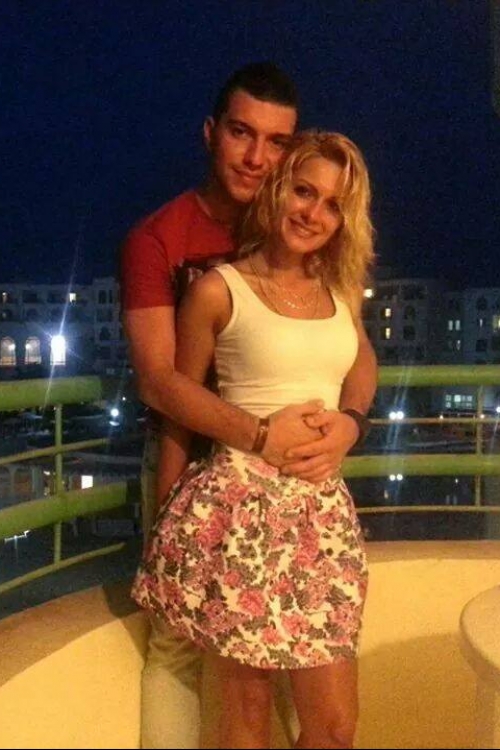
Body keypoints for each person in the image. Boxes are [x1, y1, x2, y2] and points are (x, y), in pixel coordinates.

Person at [122, 63, 376, 748]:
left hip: (313, 510)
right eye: (241, 133)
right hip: (216, 486)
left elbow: (359, 356)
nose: (256, 156)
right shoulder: (163, 241)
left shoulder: (327, 271)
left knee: (327, 717)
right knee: (189, 664)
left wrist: (351, 424)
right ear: (213, 133)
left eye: (276, 142)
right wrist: (259, 438)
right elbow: (164, 385)